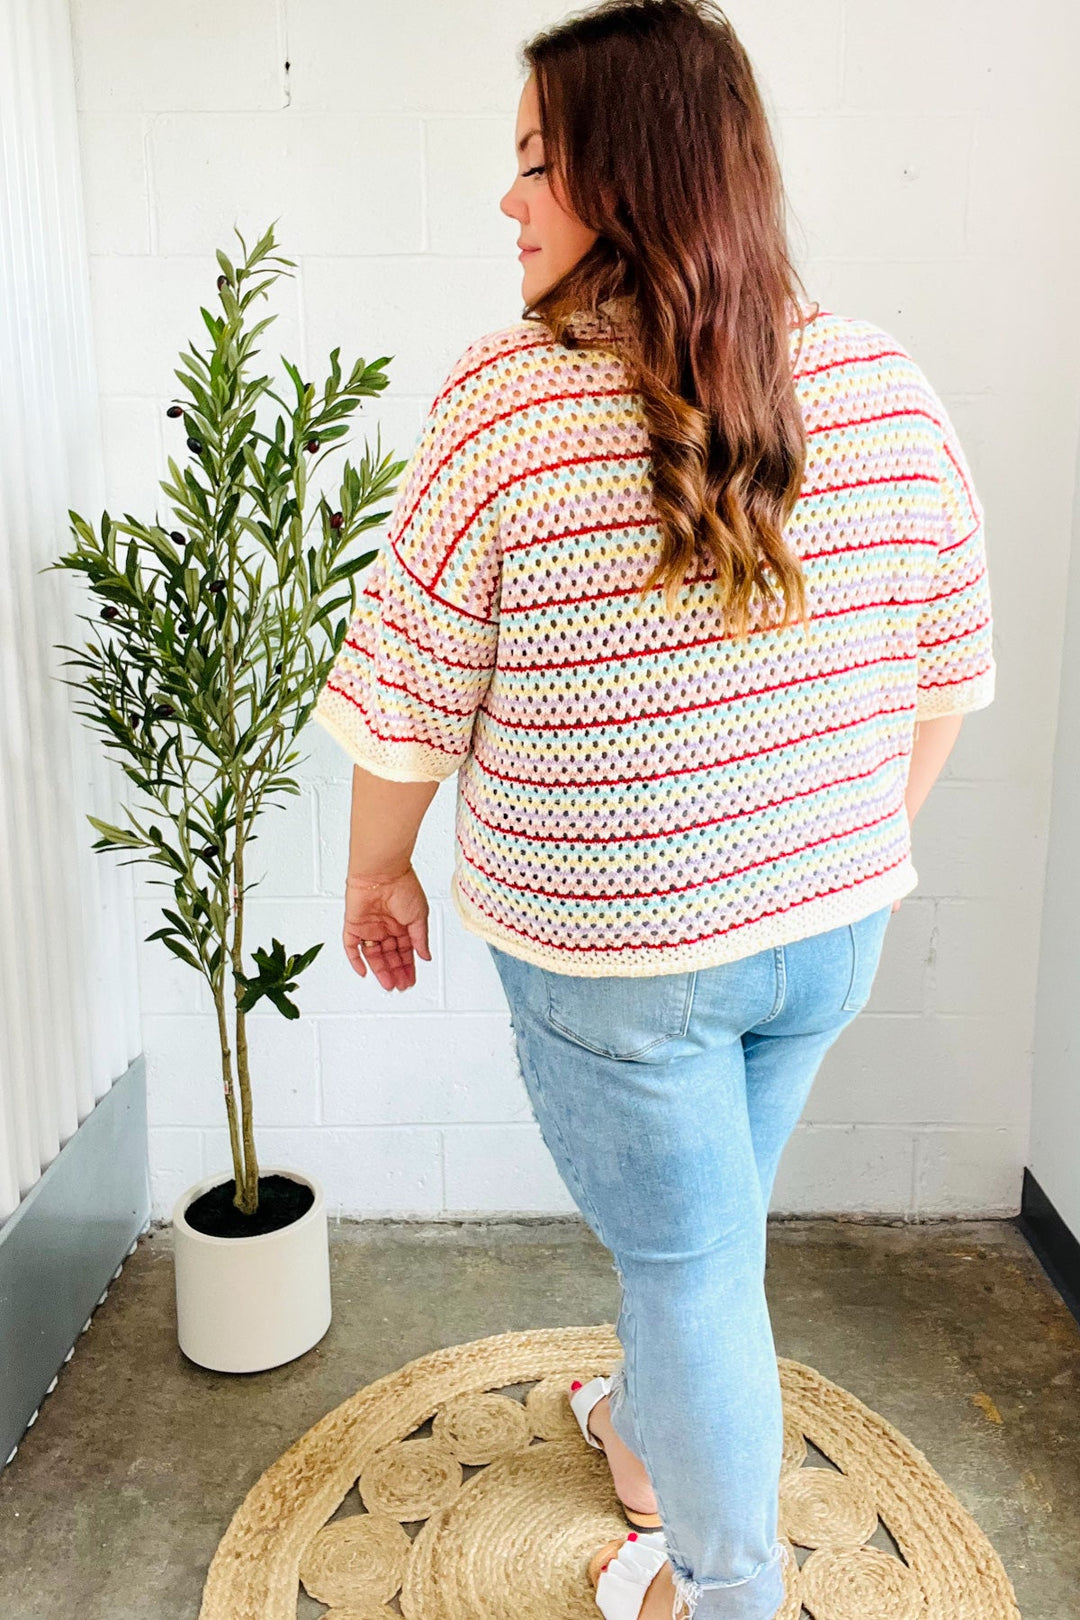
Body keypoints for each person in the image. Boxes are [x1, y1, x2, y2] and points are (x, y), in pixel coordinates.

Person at [311, 3, 996, 1616]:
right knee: (707, 1236)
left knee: (693, 1267)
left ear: (636, 182)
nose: (509, 200)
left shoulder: (505, 406)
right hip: (829, 940)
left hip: (623, 965)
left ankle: (729, 1591)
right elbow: (945, 678)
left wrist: (380, 871)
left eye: (538, 162)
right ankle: (645, 1437)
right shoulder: (886, 387)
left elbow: (407, 693)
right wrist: (829, 853)